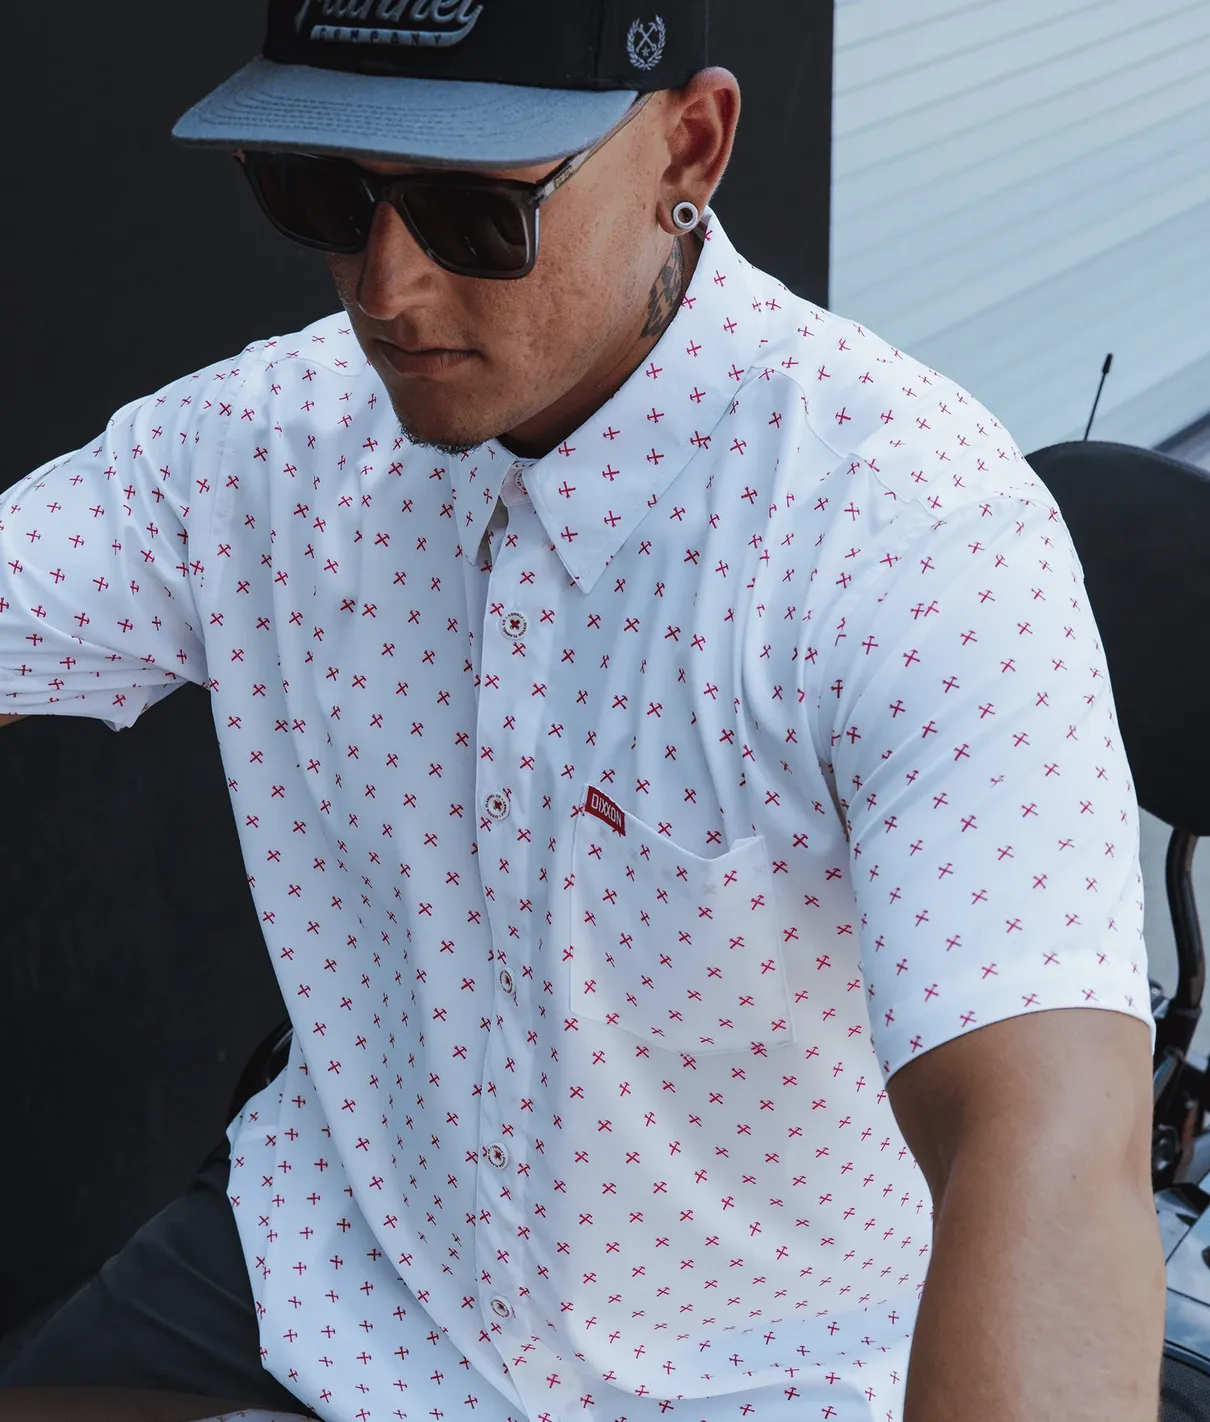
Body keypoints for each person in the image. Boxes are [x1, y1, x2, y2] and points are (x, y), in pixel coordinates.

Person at [0, 1, 1167, 1419]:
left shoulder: (907, 534)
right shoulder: (271, 443)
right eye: (323, 191)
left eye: (472, 214)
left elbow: (1046, 1143)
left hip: (750, 1372)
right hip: (342, 1255)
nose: (387, 287)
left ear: (691, 143)